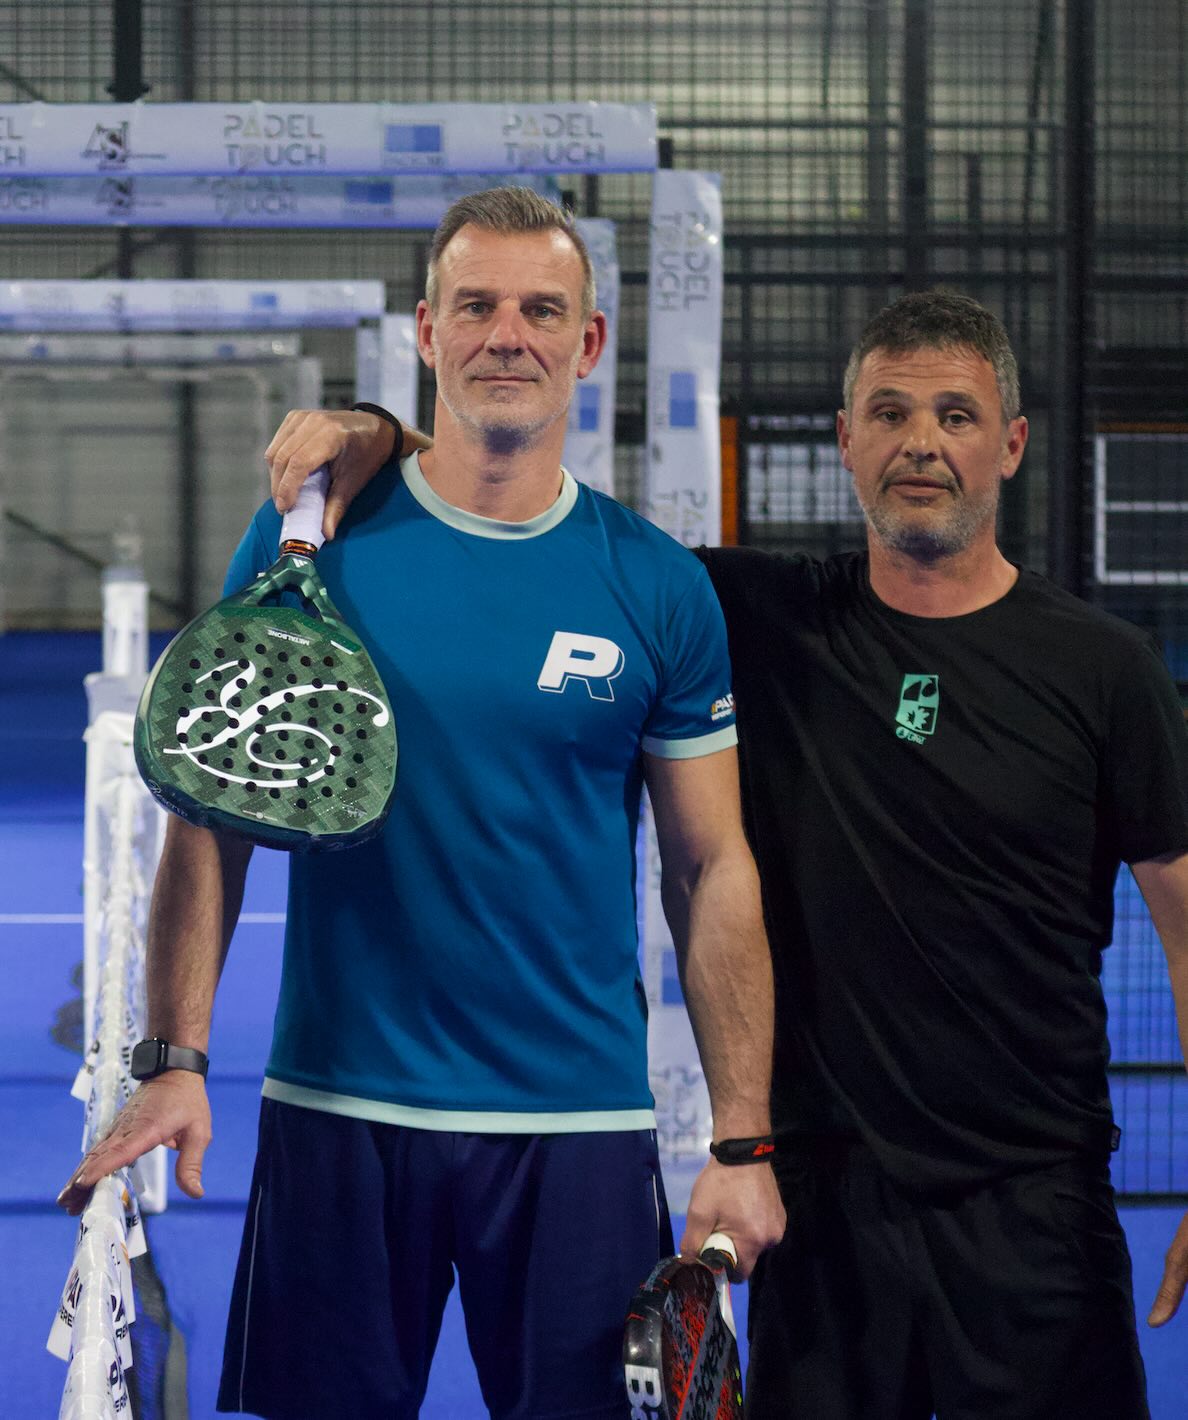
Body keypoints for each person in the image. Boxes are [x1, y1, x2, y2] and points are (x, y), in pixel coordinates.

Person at [267, 289, 1188, 1419]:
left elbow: (1185, 915)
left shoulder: (1105, 671)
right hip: (817, 1204)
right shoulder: (753, 613)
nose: (921, 444)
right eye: (890, 413)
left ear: (1010, 444)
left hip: (1038, 1206)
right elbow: (521, 490)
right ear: (845, 440)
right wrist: (377, 433)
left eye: (956, 415)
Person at [57, 186, 785, 1420]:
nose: (511, 334)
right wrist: (176, 1059)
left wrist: (742, 1139)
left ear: (589, 343)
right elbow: (214, 816)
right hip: (341, 1107)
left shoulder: (656, 585)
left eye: (542, 309)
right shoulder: (312, 538)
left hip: (578, 1120)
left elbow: (712, 867)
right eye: (478, 306)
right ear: (428, 333)